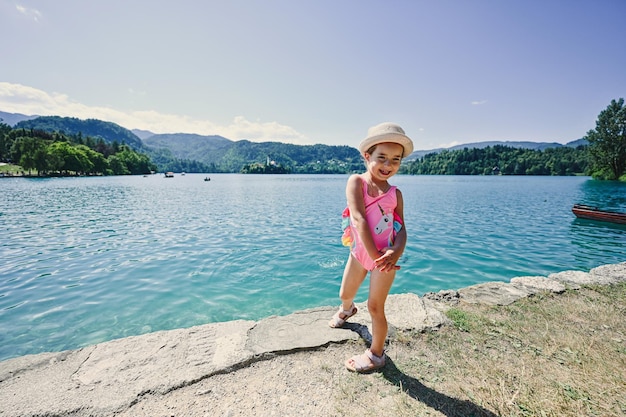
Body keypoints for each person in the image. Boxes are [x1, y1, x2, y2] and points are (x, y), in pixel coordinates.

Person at [329, 122, 413, 373]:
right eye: (382, 158)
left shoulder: (395, 194)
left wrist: (393, 253)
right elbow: (358, 219)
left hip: (385, 259)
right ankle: (348, 309)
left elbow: (402, 229)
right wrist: (373, 256)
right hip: (361, 254)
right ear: (367, 156)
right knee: (345, 293)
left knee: (376, 306)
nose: (388, 166)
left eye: (395, 160)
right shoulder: (357, 182)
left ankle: (377, 355)